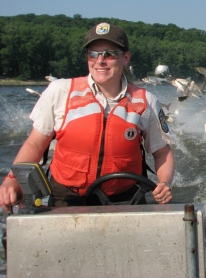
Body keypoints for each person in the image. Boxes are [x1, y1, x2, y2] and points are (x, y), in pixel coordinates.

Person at [0, 22, 175, 211]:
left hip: (124, 200)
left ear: (125, 58)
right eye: (93, 54)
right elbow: (35, 144)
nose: (100, 61)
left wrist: (164, 182)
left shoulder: (146, 101)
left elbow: (162, 152)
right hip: (65, 198)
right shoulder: (60, 91)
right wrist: (12, 180)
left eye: (109, 54)